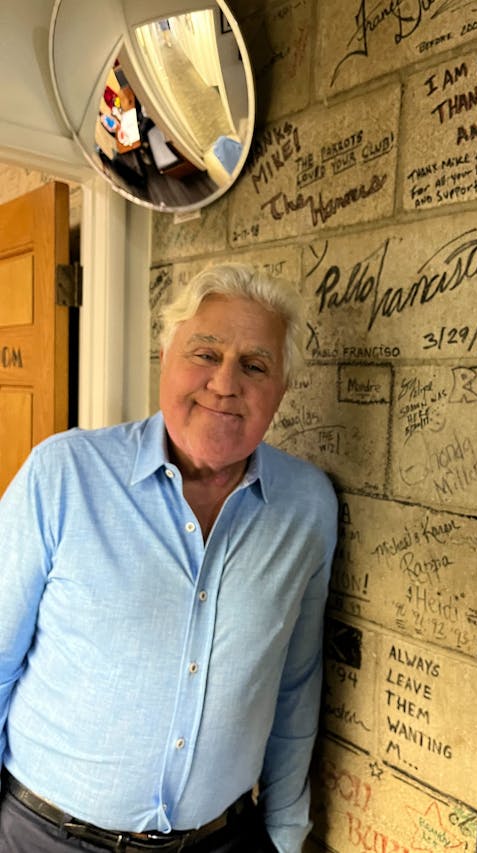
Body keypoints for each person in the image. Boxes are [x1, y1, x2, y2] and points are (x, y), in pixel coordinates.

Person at [0, 263, 338, 853]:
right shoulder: (64, 474)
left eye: (255, 366)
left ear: (281, 391)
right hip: (44, 836)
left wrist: (285, 835)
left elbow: (295, 682)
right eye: (205, 354)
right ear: (165, 357)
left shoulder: (307, 505)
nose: (225, 383)